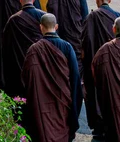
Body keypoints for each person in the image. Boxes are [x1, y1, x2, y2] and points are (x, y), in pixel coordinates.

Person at [21, 13, 82, 142]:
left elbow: (26, 77)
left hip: (41, 101)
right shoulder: (67, 47)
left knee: (44, 130)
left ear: (40, 27)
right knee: (62, 127)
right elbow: (75, 76)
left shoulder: (34, 49)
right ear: (56, 26)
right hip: (62, 99)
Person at [82, 0, 120, 137]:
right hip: (114, 64)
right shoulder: (118, 17)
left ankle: (98, 127)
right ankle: (113, 125)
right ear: (109, 0)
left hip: (95, 63)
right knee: (113, 93)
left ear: (97, 0)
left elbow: (85, 40)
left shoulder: (91, 16)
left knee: (94, 93)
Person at [1, 0, 45, 99]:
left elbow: (6, 45)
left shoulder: (13, 20)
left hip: (18, 63)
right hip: (39, 62)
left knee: (21, 96)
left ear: (20, 0)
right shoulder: (43, 17)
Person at [46, 0, 88, 73]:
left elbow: (51, 14)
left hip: (59, 34)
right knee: (76, 61)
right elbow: (85, 15)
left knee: (60, 60)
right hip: (76, 33)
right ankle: (78, 86)